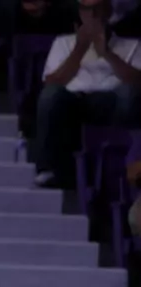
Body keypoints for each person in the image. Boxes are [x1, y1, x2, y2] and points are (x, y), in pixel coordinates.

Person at [34, 0, 141, 188]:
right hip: (73, 101)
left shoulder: (132, 45)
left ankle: (117, 161)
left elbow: (136, 81)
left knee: (129, 92)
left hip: (111, 101)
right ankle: (49, 169)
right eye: (87, 10)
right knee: (51, 96)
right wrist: (79, 49)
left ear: (108, 12)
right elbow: (51, 82)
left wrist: (107, 53)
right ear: (80, 13)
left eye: (97, 9)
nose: (92, 16)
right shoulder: (63, 43)